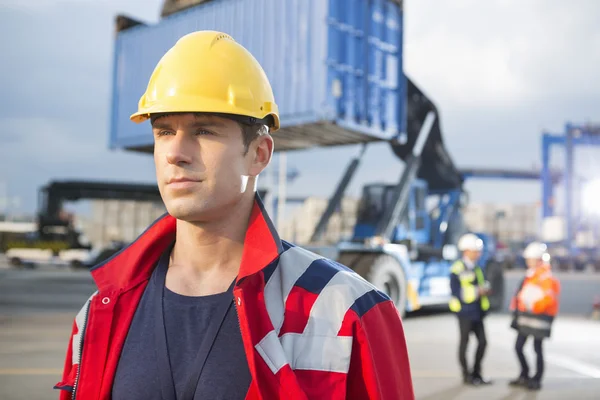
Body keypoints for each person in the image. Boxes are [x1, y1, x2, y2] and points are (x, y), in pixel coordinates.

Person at [54, 30, 415, 400]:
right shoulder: (99, 313)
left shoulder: (345, 310)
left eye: (204, 130)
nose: (175, 152)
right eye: (164, 131)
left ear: (259, 154)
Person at [508, 241, 560, 391]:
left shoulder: (545, 277)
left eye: (530, 259)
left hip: (539, 318)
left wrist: (534, 306)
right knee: (518, 347)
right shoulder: (530, 275)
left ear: (538, 259)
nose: (527, 262)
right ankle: (524, 375)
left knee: (537, 349)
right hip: (526, 317)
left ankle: (536, 379)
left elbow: (548, 298)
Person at [449, 233, 492, 386]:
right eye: (476, 250)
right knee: (464, 344)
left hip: (478, 313)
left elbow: (481, 284)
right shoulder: (457, 268)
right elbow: (456, 292)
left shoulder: (477, 268)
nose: (478, 254)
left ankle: (477, 374)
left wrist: (485, 290)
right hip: (465, 313)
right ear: (466, 251)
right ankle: (466, 375)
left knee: (483, 343)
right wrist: (477, 291)